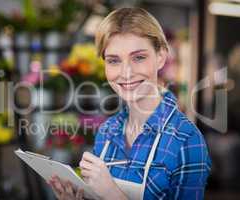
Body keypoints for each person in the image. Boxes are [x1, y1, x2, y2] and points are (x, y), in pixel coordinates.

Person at [47, 7, 212, 200]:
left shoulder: (187, 140)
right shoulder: (107, 132)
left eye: (139, 57)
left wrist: (112, 193)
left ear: (161, 57)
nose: (126, 72)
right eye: (114, 61)